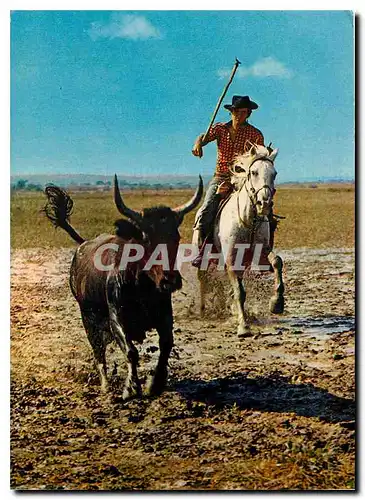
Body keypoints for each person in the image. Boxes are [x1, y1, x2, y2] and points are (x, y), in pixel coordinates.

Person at [192, 94, 277, 251]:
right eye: (236, 112)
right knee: (207, 208)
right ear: (231, 112)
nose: (239, 115)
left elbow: (259, 158)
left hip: (243, 179)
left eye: (243, 112)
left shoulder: (255, 134)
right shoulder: (220, 129)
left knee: (266, 210)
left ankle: (265, 249)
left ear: (248, 114)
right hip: (221, 177)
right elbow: (203, 137)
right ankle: (202, 247)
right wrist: (198, 144)